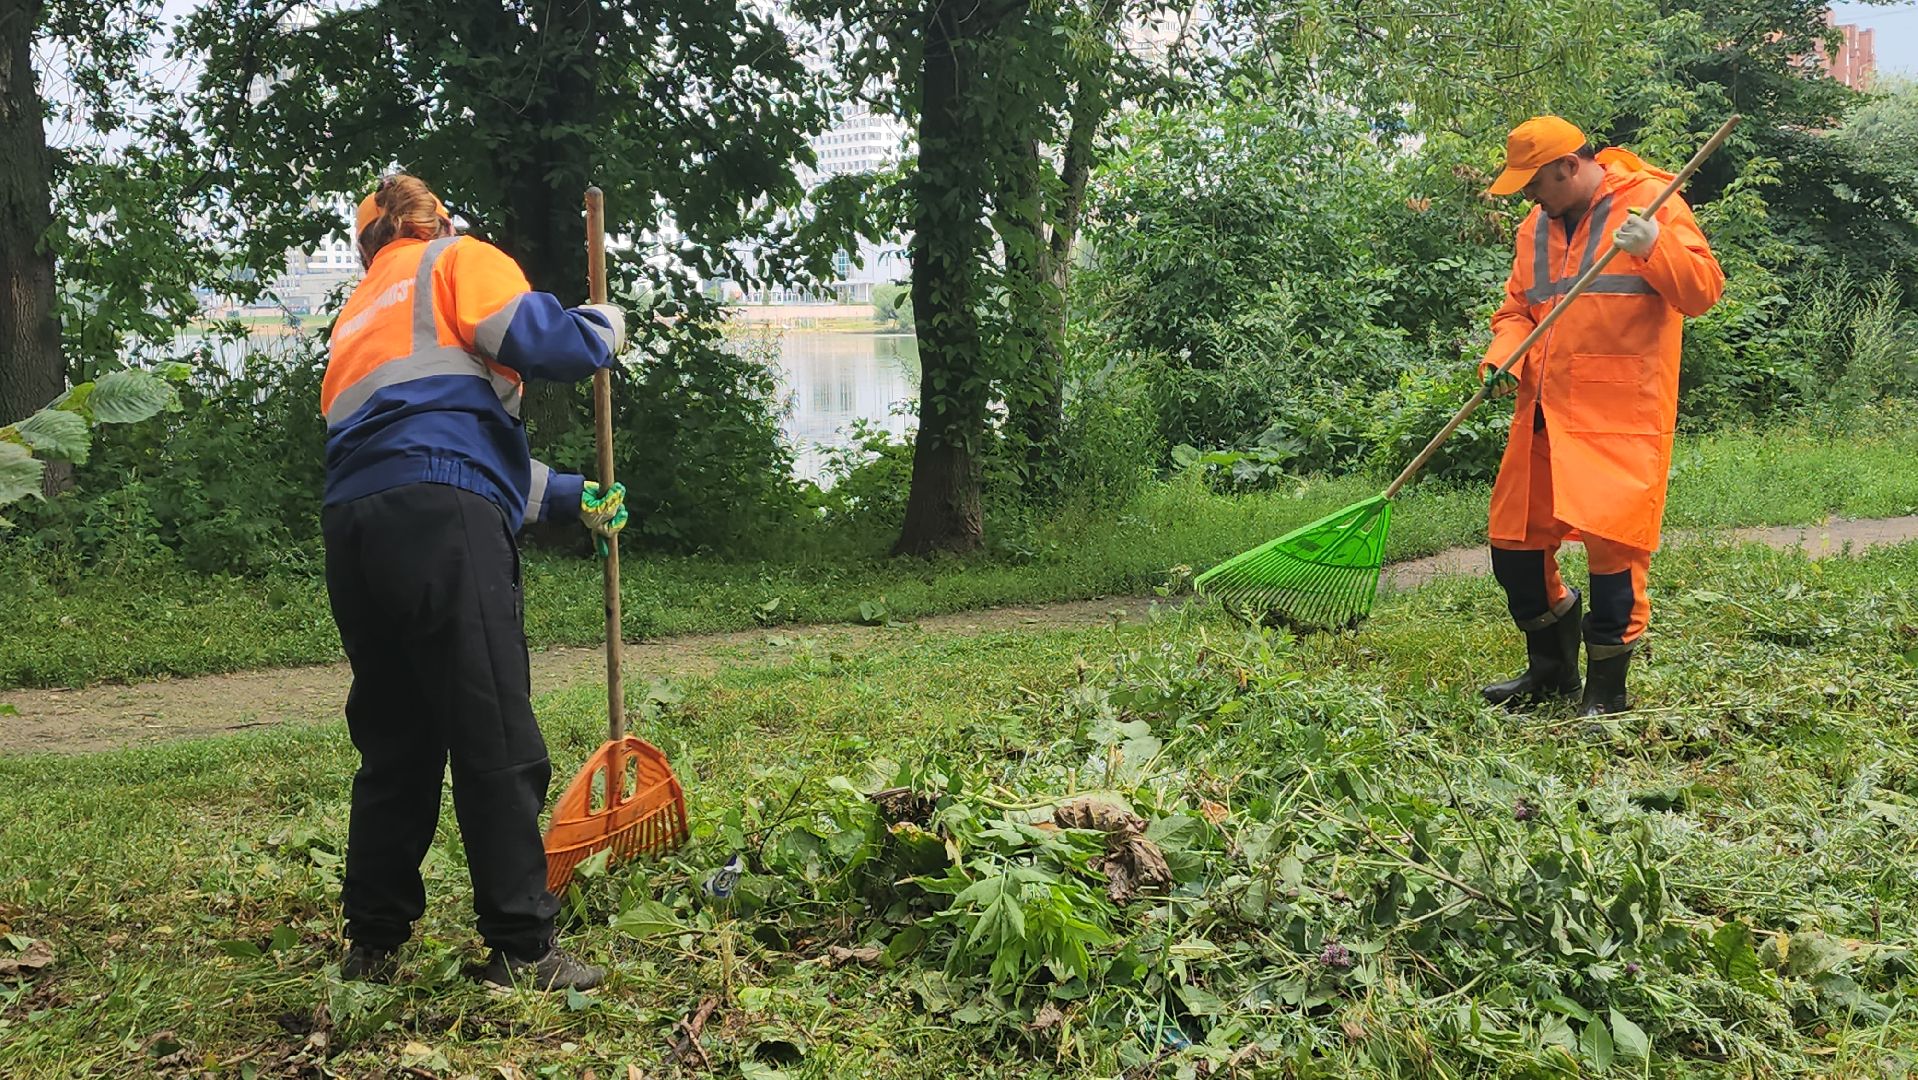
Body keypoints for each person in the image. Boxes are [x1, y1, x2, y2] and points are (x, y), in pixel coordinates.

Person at [320, 174, 629, 991]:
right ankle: (524, 949)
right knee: (492, 730)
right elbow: (545, 342)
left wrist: (570, 498)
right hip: (441, 521)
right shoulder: (457, 261)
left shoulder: (358, 314)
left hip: (354, 528)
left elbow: (431, 449)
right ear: (436, 223)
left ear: (367, 246)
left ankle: (372, 948)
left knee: (396, 741)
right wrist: (603, 329)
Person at [1475, 117, 1724, 717]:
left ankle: (1606, 692)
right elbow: (1516, 308)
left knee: (1614, 557)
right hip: (1541, 412)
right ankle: (1551, 670)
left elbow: (1702, 292)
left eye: (1534, 182)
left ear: (1568, 165)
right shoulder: (1534, 227)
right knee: (1514, 547)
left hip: (1618, 415)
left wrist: (1655, 249)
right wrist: (1502, 353)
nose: (1529, 196)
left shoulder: (1651, 201)